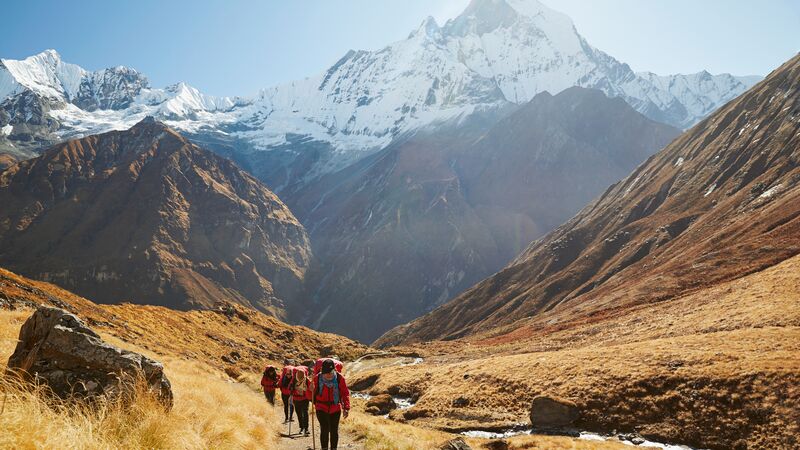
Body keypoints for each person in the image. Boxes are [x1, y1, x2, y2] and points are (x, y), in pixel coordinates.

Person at [313, 359, 350, 450]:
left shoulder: (339, 378)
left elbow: (345, 393)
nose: (329, 375)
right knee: (324, 428)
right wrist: (310, 389)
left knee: (334, 431)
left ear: (334, 370)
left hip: (335, 408)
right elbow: (310, 396)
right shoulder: (317, 378)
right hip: (321, 407)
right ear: (322, 371)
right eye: (326, 373)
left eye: (330, 372)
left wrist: (346, 408)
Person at [291, 366, 312, 436]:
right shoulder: (293, 380)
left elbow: (311, 388)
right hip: (296, 400)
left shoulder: (306, 380)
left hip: (304, 399)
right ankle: (302, 427)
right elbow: (289, 388)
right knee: (299, 413)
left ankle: (306, 428)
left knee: (305, 413)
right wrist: (291, 389)